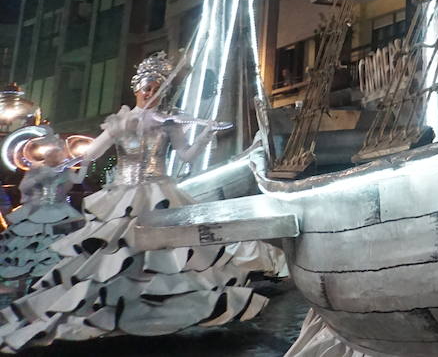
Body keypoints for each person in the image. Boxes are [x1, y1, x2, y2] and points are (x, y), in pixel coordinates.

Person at [0, 52, 285, 350]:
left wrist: (205, 135)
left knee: (164, 256)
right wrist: (61, 161)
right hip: (122, 196)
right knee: (117, 257)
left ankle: (150, 314)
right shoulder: (120, 121)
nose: (150, 94)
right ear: (136, 88)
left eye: (155, 88)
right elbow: (93, 153)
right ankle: (112, 313)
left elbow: (186, 156)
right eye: (146, 87)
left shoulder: (169, 121)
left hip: (160, 192)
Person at [0, 131, 83, 299]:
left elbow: (77, 180)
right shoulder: (36, 168)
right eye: (53, 151)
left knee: (56, 250)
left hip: (60, 212)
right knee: (28, 250)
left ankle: (51, 289)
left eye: (59, 151)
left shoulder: (65, 170)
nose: (56, 154)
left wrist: (85, 162)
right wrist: (42, 176)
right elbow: (24, 188)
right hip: (35, 213)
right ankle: (22, 289)